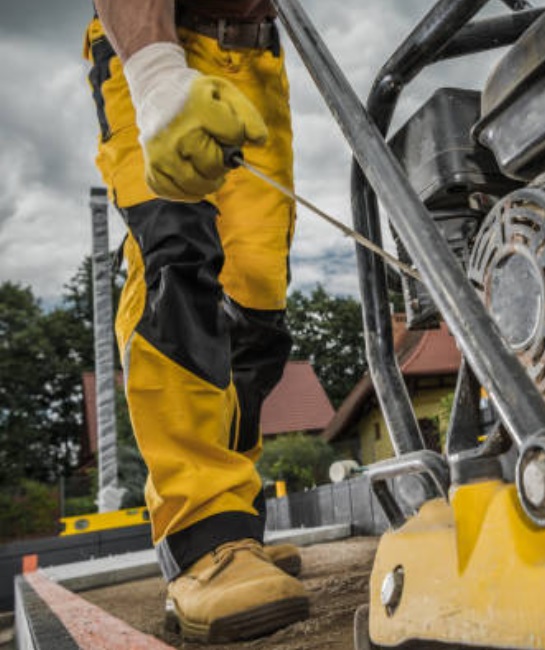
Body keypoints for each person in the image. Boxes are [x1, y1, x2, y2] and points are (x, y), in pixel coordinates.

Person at [84, 0, 307, 642]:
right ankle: (203, 536)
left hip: (255, 61)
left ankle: (238, 527)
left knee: (256, 302)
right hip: (158, 41)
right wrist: (156, 74)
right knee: (177, 265)